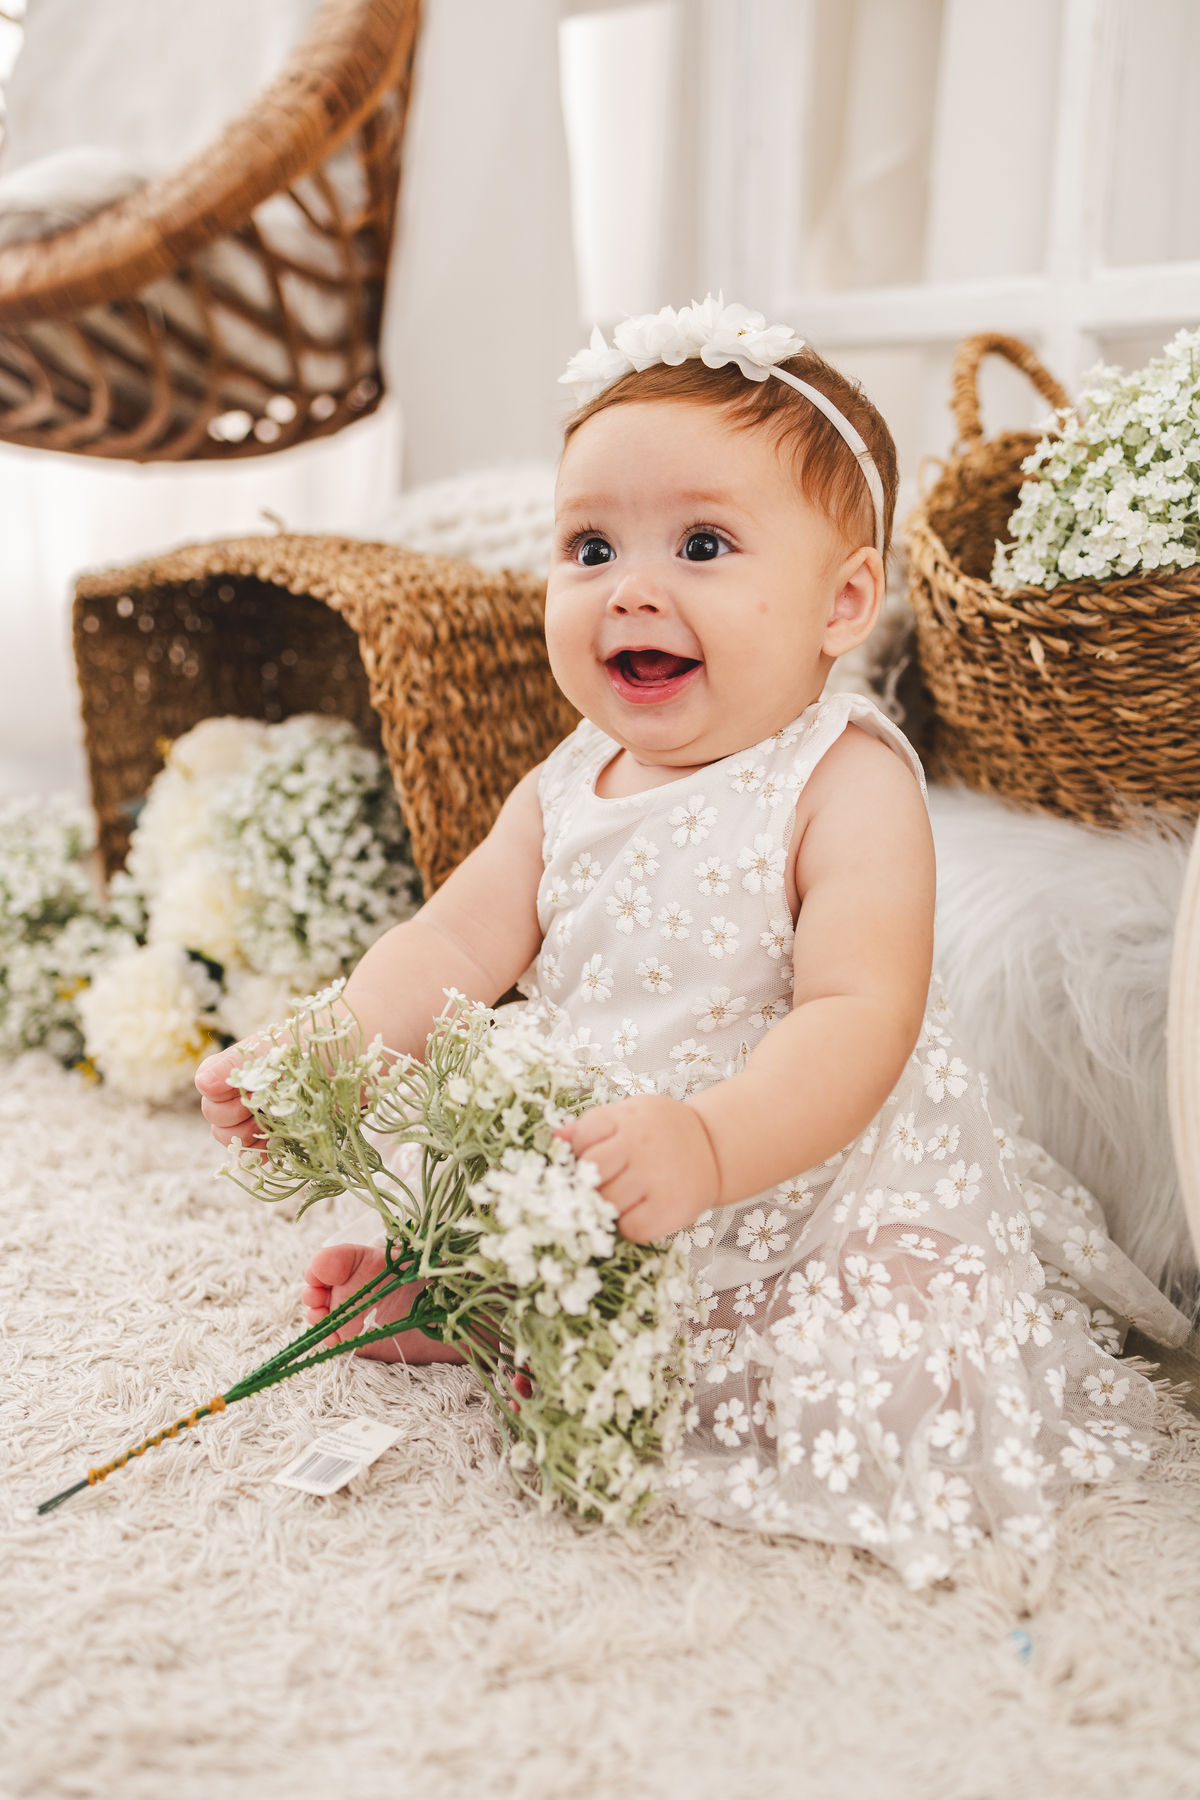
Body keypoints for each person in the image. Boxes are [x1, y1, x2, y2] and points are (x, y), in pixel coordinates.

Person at [197, 299, 1188, 1586]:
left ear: (843, 602)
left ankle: (584, 1322)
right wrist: (323, 1050)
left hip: (803, 1172)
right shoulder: (566, 780)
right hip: (607, 1151)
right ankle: (495, 1300)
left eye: (703, 544)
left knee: (903, 1362)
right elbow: (450, 942)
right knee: (510, 1198)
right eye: (591, 546)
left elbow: (859, 1017)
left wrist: (713, 1146)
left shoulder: (846, 780)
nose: (632, 588)